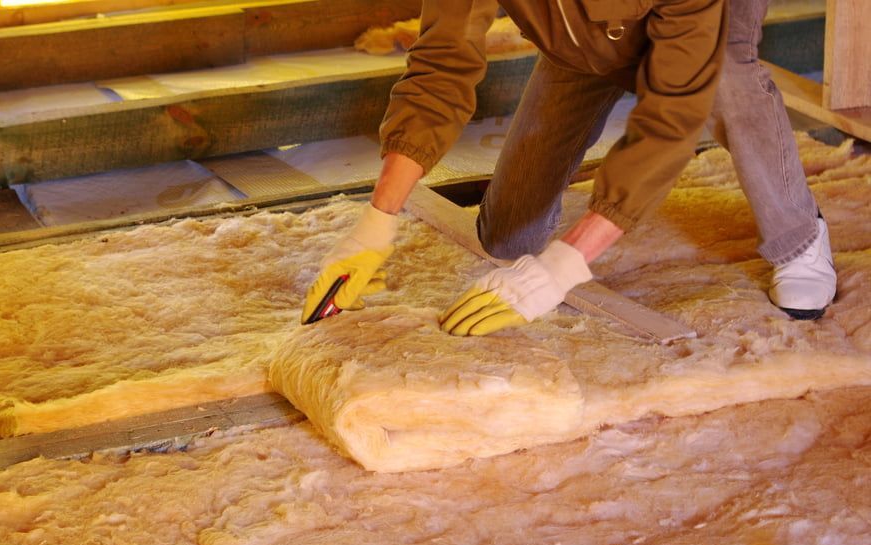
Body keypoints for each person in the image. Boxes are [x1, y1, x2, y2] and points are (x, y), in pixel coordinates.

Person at [302, 0, 837, 335]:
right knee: (510, 237)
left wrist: (565, 266)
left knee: (726, 81)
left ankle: (798, 236)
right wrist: (377, 221)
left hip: (702, 38)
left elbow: (671, 118)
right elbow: (441, 66)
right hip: (583, 41)